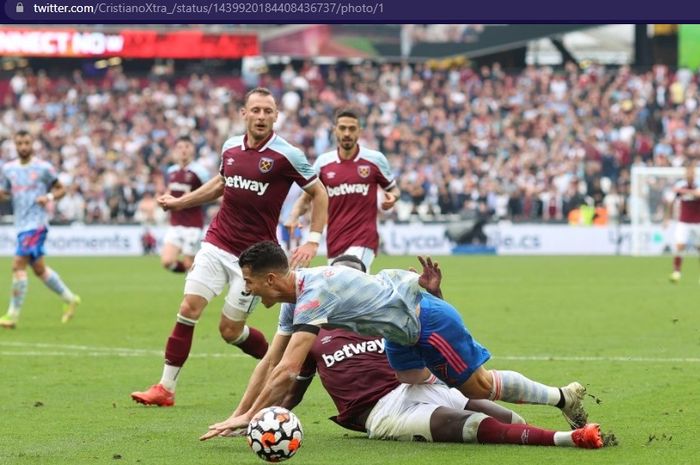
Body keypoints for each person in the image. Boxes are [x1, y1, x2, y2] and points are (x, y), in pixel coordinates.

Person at [201, 255, 604, 448]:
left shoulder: (312, 294)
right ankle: (511, 411)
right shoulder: (294, 297)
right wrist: (240, 414)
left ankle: (560, 397)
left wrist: (252, 417)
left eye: (250, 283)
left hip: (426, 319)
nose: (247, 291)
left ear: (271, 278)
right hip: (400, 338)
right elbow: (272, 361)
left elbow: (288, 370)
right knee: (411, 377)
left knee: (478, 386)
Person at [130, 88, 328, 407]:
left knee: (230, 331)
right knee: (187, 309)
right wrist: (181, 202)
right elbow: (221, 184)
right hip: (216, 242)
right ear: (243, 114)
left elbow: (319, 193)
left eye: (267, 111)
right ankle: (165, 388)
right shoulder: (230, 147)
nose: (261, 116)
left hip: (254, 261)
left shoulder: (287, 154)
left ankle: (278, 362)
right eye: (256, 110)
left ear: (276, 116)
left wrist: (313, 239)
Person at [285, 108, 400, 271]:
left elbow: (394, 190)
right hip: (335, 240)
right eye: (342, 128)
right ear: (335, 130)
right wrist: (293, 216)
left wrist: (393, 197)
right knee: (343, 291)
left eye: (352, 129)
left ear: (359, 131)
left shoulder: (375, 160)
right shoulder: (323, 163)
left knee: (349, 275)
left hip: (364, 238)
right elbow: (305, 199)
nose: (347, 133)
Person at [0, 130, 81, 329]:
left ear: (32, 144)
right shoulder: (8, 169)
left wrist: (49, 198)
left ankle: (12, 316)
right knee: (39, 269)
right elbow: (5, 193)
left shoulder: (44, 168)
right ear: (15, 145)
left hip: (36, 225)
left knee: (18, 265)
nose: (23, 147)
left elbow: (60, 189)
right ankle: (70, 299)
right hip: (21, 224)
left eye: (27, 143)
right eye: (19, 143)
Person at [161, 135, 211, 273]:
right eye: (180, 147)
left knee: (190, 263)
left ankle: (196, 283)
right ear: (175, 150)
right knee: (167, 261)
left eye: (187, 147)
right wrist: (163, 200)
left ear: (192, 149)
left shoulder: (200, 171)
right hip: (175, 224)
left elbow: (210, 191)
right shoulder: (171, 171)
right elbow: (168, 192)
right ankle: (194, 273)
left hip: (192, 225)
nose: (183, 150)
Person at [667, 160, 700, 283]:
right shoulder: (681, 184)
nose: (690, 174)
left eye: (692, 172)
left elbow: (699, 194)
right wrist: (667, 218)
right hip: (684, 221)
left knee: (699, 248)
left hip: (698, 221)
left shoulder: (698, 184)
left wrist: (684, 192)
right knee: (680, 245)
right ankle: (676, 272)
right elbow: (671, 198)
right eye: (688, 172)